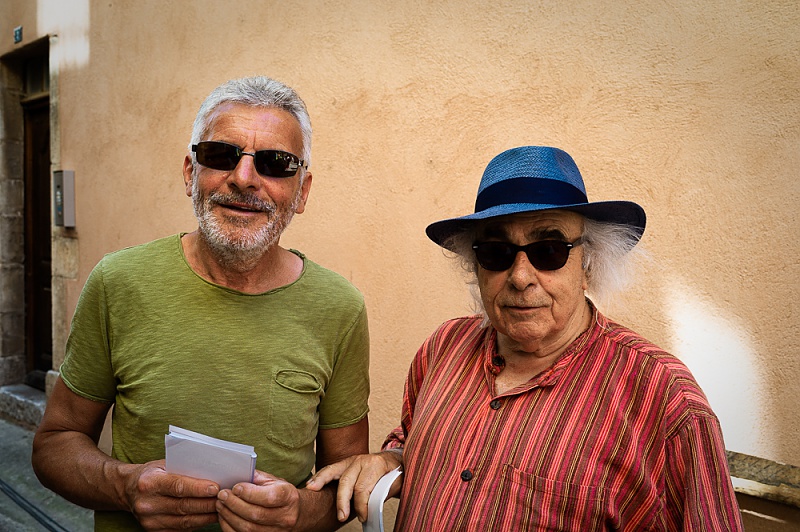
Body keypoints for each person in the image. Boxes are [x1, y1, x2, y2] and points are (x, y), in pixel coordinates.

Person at [308, 146, 744, 530]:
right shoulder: (443, 348)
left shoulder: (665, 399)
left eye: (548, 250)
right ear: (476, 267)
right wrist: (391, 459)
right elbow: (411, 442)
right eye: (496, 252)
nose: (520, 277)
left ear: (588, 264)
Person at [32, 76, 370, 531]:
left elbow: (345, 483)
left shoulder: (340, 309)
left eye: (276, 163)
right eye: (220, 155)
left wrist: (297, 513)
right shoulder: (118, 282)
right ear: (190, 173)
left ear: (302, 192)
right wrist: (124, 487)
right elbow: (54, 444)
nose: (244, 178)